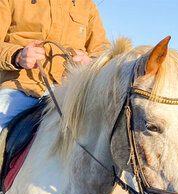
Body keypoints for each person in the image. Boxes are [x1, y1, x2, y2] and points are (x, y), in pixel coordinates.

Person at [0, 0, 110, 131]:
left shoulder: (87, 6)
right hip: (21, 87)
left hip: (72, 92)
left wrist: (91, 63)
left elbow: (102, 52)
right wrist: (17, 56)